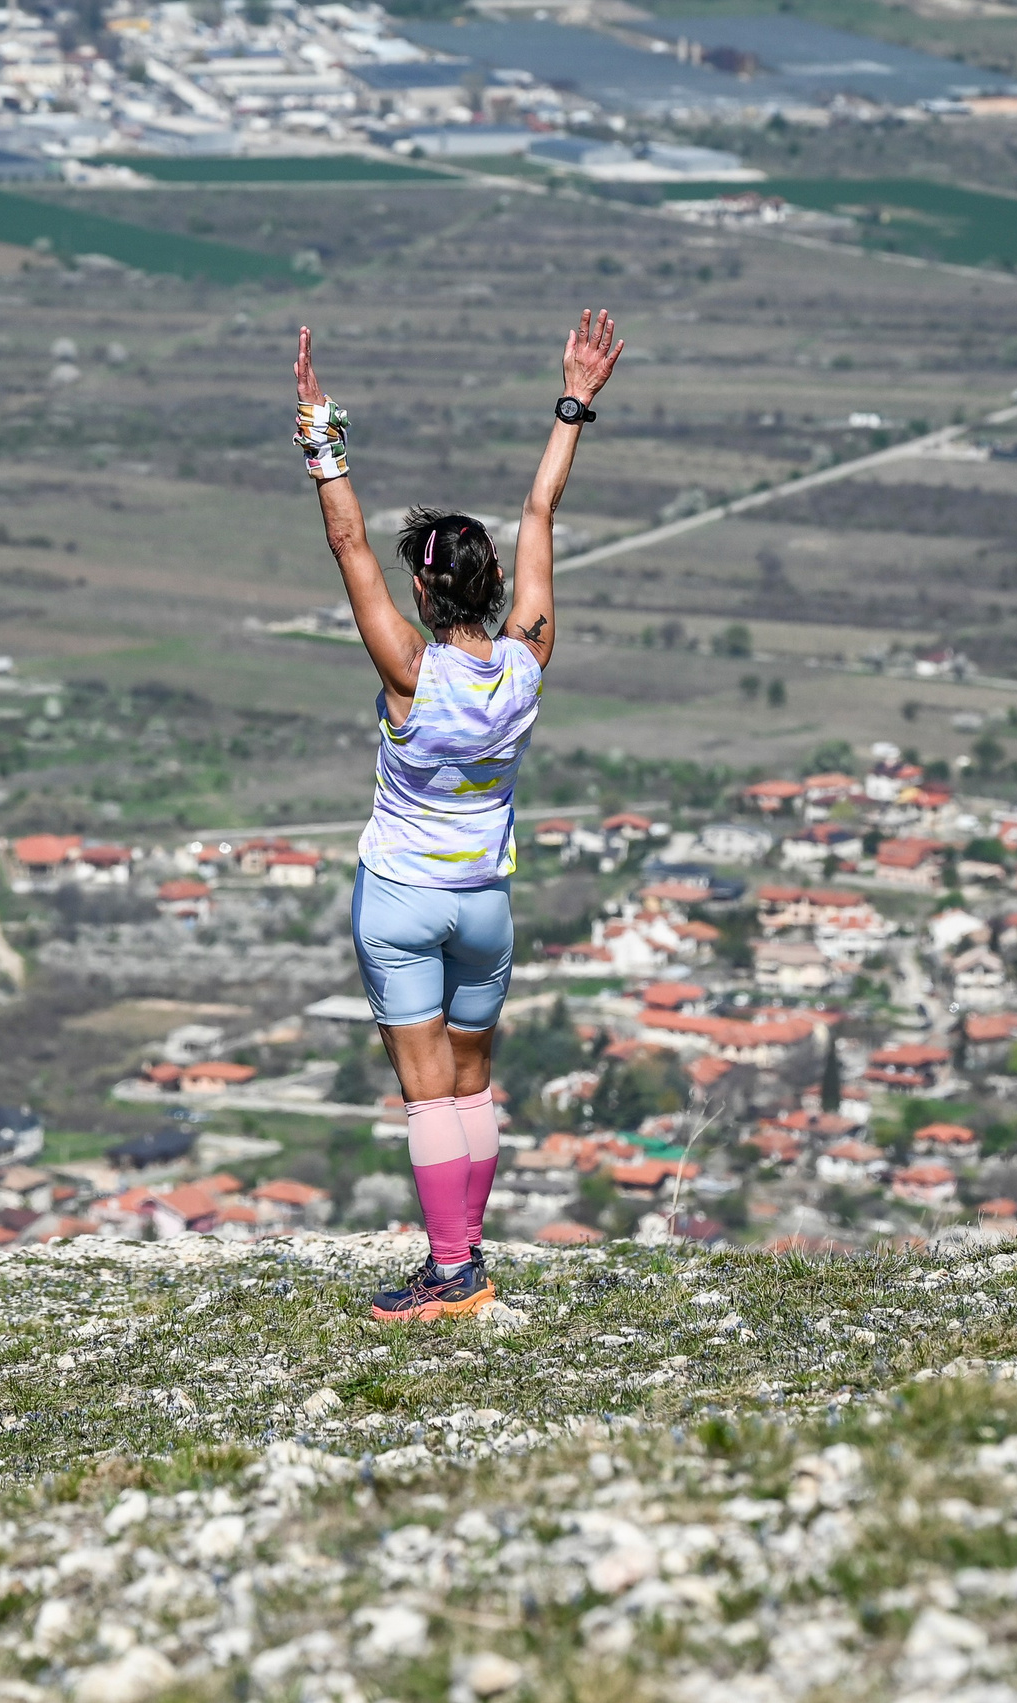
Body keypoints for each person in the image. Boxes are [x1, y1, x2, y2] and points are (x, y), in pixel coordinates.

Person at [294, 309, 625, 1323]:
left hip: (400, 899)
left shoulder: (407, 672)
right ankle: (464, 1256)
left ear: (423, 590)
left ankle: (450, 1273)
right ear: (490, 588)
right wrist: (574, 400)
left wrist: (320, 433)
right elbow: (541, 508)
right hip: (486, 903)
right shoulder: (526, 659)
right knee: (475, 1087)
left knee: (428, 1095)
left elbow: (346, 537)